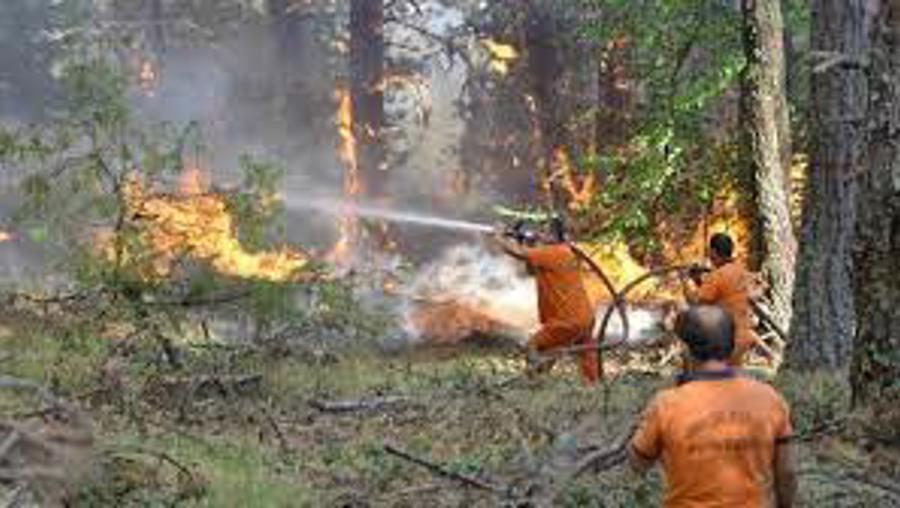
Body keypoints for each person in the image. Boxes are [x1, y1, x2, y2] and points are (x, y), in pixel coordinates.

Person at [629, 305, 797, 508]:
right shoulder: (770, 399)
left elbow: (638, 464)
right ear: (733, 345)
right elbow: (787, 473)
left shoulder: (666, 404)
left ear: (684, 348)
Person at [489, 217, 599, 383]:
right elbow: (531, 270)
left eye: (544, 231)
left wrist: (498, 236)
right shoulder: (561, 252)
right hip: (584, 317)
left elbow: (516, 253)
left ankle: (534, 382)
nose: (539, 234)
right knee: (582, 357)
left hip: (566, 321)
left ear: (554, 236)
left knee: (533, 346)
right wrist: (524, 243)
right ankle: (593, 388)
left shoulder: (552, 252)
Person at [685, 233, 757, 366]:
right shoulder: (740, 271)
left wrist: (685, 281)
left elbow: (696, 303)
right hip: (742, 337)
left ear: (713, 252)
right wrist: (698, 280)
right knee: (731, 381)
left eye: (709, 252)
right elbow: (717, 294)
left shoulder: (717, 276)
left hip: (723, 341)